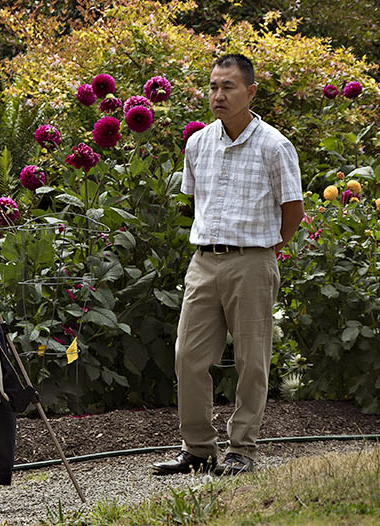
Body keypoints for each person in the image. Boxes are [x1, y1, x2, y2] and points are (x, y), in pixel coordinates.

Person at [152, 53, 303, 477]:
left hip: (252, 262)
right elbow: (197, 199)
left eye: (228, 87)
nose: (218, 95)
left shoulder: (275, 146)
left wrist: (268, 251)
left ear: (250, 92)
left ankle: (242, 449)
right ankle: (198, 448)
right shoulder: (198, 143)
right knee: (188, 357)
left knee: (251, 361)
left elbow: (293, 209)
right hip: (203, 261)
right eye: (213, 87)